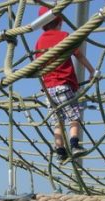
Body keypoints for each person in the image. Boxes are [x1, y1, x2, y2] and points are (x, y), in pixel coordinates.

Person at [34, 5, 96, 162]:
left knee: (57, 122)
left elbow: (37, 65)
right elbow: (79, 55)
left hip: (48, 90)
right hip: (63, 85)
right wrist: (91, 71)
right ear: (60, 21)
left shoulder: (39, 41)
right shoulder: (64, 36)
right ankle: (75, 145)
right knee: (74, 117)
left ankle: (60, 151)